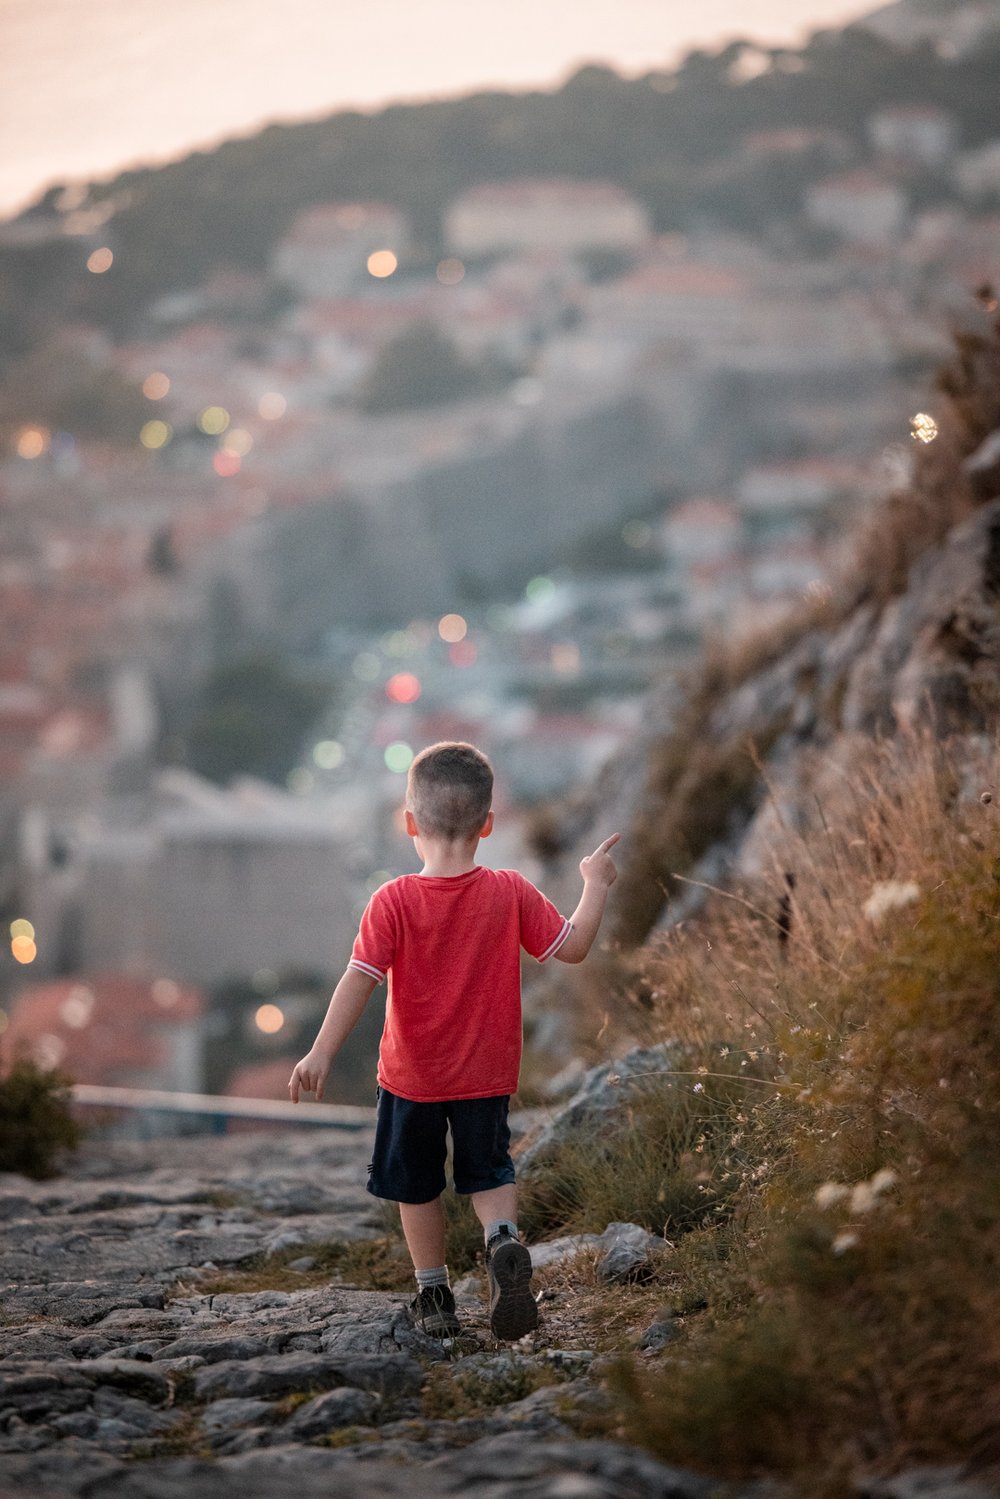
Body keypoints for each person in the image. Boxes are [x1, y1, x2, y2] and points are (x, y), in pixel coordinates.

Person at [289, 740, 619, 1342]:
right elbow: (572, 947)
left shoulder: (391, 901)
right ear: (488, 824)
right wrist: (595, 883)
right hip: (487, 1073)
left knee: (415, 1185)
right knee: (489, 1172)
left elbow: (357, 981)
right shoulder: (510, 891)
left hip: (412, 1077)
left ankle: (434, 1294)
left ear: (410, 822)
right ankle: (501, 1244)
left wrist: (320, 1053)